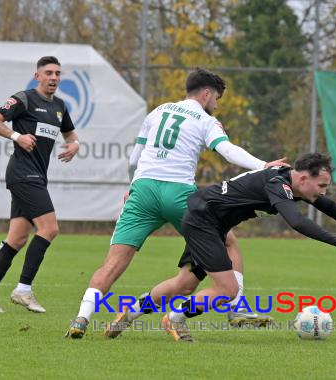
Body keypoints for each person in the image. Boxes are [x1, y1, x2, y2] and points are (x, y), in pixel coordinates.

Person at [66, 68, 286, 339]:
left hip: (142, 190)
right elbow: (227, 151)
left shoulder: (157, 112)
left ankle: (81, 318)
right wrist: (264, 166)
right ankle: (236, 306)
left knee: (113, 266)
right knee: (228, 241)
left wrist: (132, 187)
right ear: (206, 94)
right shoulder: (206, 120)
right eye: (216, 98)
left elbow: (134, 160)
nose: (216, 105)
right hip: (179, 194)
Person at [126, 152, 336, 342]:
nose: (323, 191)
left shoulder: (290, 182)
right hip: (204, 219)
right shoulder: (278, 184)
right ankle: (176, 317)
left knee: (184, 283)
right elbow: (297, 222)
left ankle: (129, 313)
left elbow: (327, 205)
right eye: (321, 185)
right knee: (226, 289)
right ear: (301, 178)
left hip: (211, 220)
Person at [0, 56, 80, 313]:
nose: (53, 77)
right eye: (48, 73)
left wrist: (75, 144)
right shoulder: (24, 98)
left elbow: (70, 134)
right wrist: (17, 135)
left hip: (36, 175)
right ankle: (23, 289)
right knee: (50, 228)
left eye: (57, 73)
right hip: (22, 174)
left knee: (17, 238)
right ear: (37, 76)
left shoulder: (60, 107)